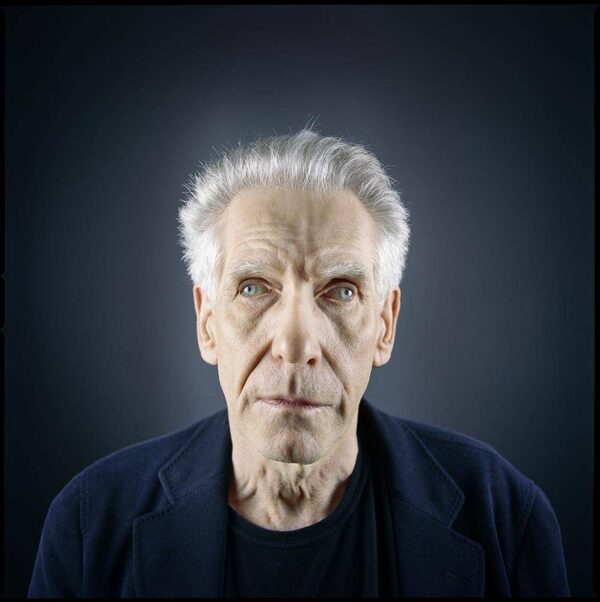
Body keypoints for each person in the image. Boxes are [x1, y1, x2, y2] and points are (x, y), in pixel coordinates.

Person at [28, 128, 570, 597]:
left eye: (341, 291)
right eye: (253, 287)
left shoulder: (505, 517)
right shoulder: (89, 525)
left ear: (385, 325)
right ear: (207, 321)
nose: (295, 343)